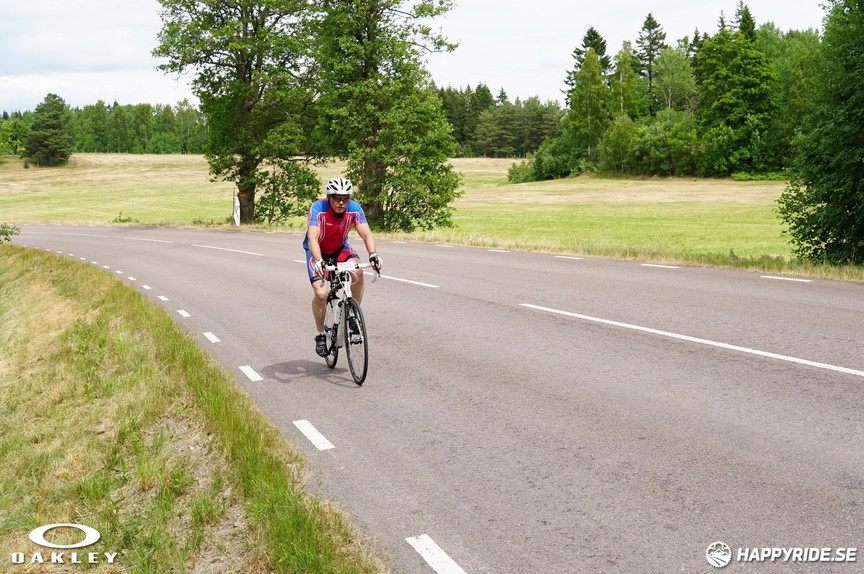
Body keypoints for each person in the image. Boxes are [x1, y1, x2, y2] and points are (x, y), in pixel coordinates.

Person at [303, 177, 382, 357]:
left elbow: (367, 234)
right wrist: (318, 260)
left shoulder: (354, 208)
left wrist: (373, 254)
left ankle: (353, 314)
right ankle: (320, 333)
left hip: (340, 249)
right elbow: (312, 238)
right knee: (321, 294)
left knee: (358, 272)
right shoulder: (318, 208)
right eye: (337, 198)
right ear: (328, 197)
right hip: (318, 252)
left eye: (345, 198)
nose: (341, 202)